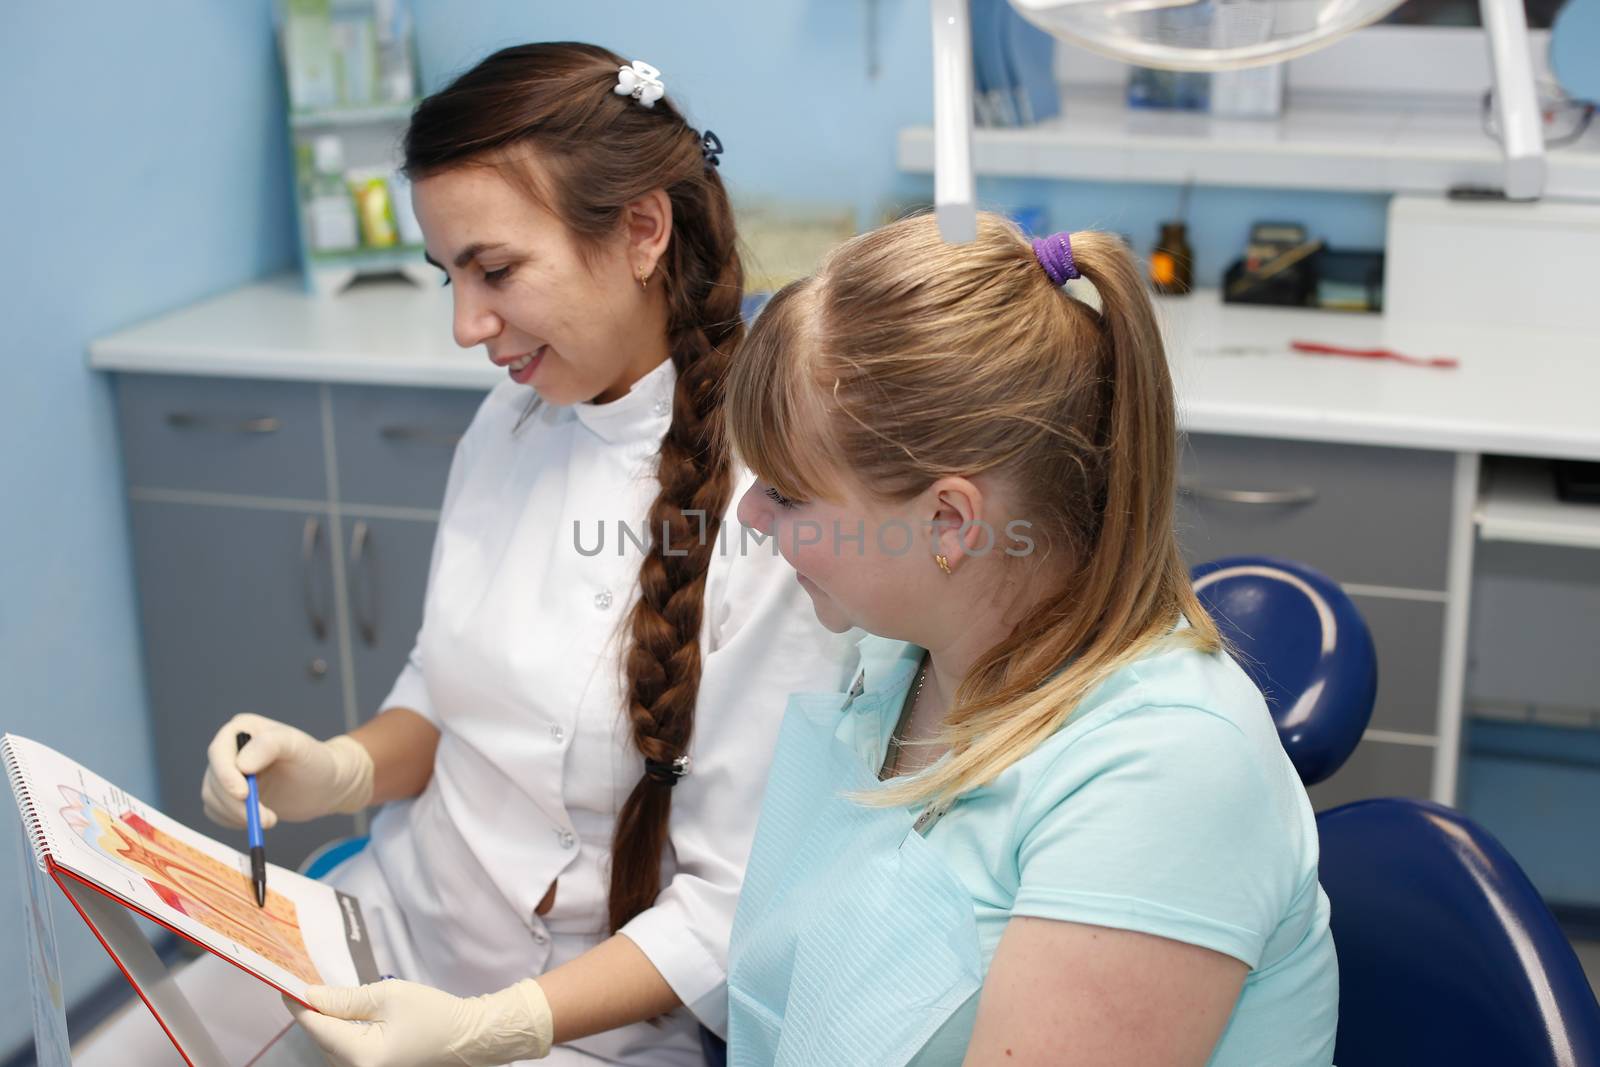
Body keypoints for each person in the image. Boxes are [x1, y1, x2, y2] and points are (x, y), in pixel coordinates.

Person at [196, 43, 854, 1066]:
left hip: (575, 1027)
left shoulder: (773, 513)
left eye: (495, 270)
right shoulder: (510, 424)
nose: (466, 326)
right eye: (448, 273)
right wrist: (337, 770)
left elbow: (733, 906)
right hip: (389, 924)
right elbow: (445, 687)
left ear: (642, 229)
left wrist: (487, 1027)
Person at [719, 213, 1339, 1065]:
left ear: (948, 521)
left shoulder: (1166, 773)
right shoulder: (906, 661)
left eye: (787, 494)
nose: (750, 517)